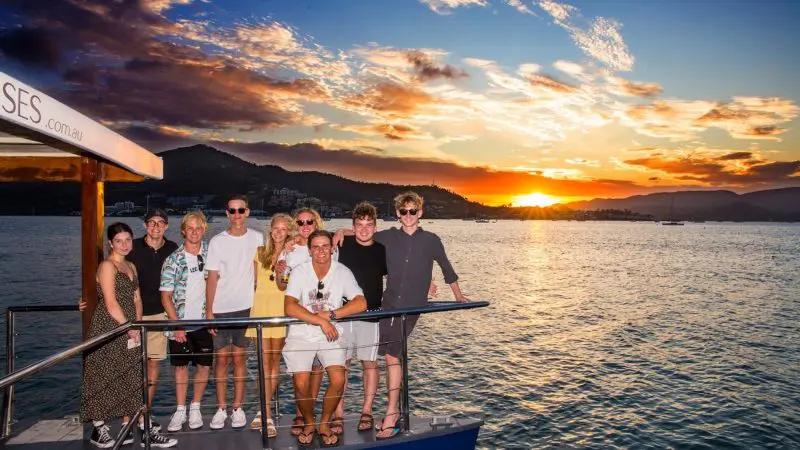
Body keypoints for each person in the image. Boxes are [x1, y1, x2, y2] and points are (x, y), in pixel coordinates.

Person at [333, 191, 469, 440]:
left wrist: (458, 296)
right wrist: (341, 231)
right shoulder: (389, 236)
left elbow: (447, 268)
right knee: (378, 354)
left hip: (411, 307)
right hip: (388, 304)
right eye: (404, 211)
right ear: (397, 213)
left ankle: (392, 413)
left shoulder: (431, 240)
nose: (408, 215)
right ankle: (375, 410)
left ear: (420, 213)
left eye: (413, 211)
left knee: (392, 355)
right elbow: (364, 233)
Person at [80, 222, 177, 448]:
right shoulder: (107, 266)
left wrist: (137, 324)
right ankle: (98, 428)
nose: (124, 245)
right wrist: (128, 327)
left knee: (132, 377)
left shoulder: (130, 266)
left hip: (130, 326)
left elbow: (137, 299)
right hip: (109, 326)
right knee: (103, 375)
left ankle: (142, 427)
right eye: (118, 241)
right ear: (110, 243)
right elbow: (111, 303)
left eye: (127, 240)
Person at [283, 230, 367, 446]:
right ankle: (309, 422)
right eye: (316, 247)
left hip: (331, 334)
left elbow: (361, 302)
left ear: (332, 248)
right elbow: (289, 307)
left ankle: (324, 423)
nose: (321, 251)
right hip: (301, 333)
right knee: (301, 382)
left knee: (338, 379)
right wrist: (320, 321)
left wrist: (331, 315)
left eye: (325, 246)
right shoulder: (300, 272)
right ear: (309, 250)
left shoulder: (342, 272)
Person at [205, 195, 264, 429]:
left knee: (240, 359)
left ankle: (237, 408)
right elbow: (211, 277)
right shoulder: (217, 241)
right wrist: (209, 311)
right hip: (220, 308)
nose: (237, 214)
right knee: (221, 360)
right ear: (227, 213)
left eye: (241, 210)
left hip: (246, 308)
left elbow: (260, 270)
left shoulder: (257, 238)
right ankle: (221, 408)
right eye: (232, 210)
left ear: (247, 212)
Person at [333, 202, 387, 433]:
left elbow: (398, 274)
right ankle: (338, 414)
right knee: (340, 365)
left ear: (375, 227)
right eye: (359, 225)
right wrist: (340, 232)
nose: (364, 229)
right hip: (343, 315)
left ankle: (367, 412)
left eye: (368, 225)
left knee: (369, 363)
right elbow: (314, 241)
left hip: (371, 315)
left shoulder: (382, 250)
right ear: (353, 226)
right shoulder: (341, 245)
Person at [280, 207, 333, 436]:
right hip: (298, 317)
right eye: (300, 223)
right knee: (299, 369)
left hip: (322, 315)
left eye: (309, 222)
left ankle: (310, 412)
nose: (305, 226)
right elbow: (281, 285)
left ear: (317, 223)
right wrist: (280, 271)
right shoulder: (289, 250)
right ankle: (301, 414)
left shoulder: (327, 246)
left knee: (317, 366)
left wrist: (344, 231)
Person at [160, 212, 213, 432]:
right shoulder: (173, 259)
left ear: (204, 230)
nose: (194, 232)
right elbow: (166, 296)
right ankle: (180, 409)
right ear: (183, 231)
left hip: (204, 322)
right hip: (180, 323)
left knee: (204, 366)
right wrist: (177, 325)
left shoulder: (211, 254)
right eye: (190, 228)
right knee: (180, 367)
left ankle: (196, 407)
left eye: (198, 227)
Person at [127, 209, 179, 430]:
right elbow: (110, 269)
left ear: (166, 226)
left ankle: (144, 413)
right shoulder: (132, 247)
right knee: (130, 367)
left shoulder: (173, 249)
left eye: (160, 223)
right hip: (132, 315)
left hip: (159, 314)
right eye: (152, 222)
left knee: (153, 364)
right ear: (145, 225)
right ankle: (127, 418)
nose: (156, 226)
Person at [246, 213, 295, 436]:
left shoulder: (292, 254)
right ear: (270, 230)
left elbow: (286, 285)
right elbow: (253, 282)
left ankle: (263, 412)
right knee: (263, 363)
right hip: (260, 310)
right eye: (276, 228)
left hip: (280, 310)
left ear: (288, 232)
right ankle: (264, 412)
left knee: (274, 362)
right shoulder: (259, 253)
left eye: (283, 229)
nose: (278, 232)